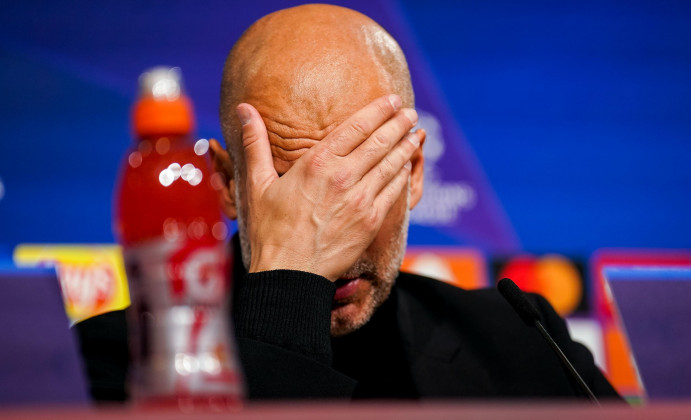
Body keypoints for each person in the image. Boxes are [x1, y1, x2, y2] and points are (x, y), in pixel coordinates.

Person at [77, 4, 621, 402]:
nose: (334, 232)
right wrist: (288, 287)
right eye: (292, 190)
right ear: (225, 185)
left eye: (363, 180)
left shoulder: (520, 339)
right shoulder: (113, 364)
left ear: (412, 174)